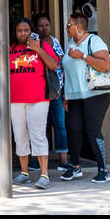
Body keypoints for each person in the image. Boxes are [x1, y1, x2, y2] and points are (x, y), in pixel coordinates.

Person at [0, 16, 58, 189]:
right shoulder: (9, 50)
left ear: (31, 31)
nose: (23, 33)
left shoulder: (42, 46)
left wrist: (38, 49)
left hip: (38, 98)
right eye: (19, 30)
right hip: (15, 100)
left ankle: (44, 175)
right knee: (20, 136)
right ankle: (24, 173)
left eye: (26, 30)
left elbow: (54, 65)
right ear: (15, 33)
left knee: (38, 134)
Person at [60, 8, 110, 183]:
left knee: (92, 129)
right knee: (73, 128)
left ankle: (103, 169)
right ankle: (75, 167)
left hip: (96, 93)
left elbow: (106, 66)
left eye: (69, 25)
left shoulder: (94, 41)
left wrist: (83, 56)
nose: (67, 28)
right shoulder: (71, 43)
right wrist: (66, 96)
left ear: (79, 27)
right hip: (75, 95)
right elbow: (69, 72)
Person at [34, 12, 68, 168]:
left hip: (56, 89)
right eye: (40, 25)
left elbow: (62, 64)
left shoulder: (55, 42)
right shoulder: (33, 43)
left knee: (60, 124)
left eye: (46, 25)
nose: (44, 28)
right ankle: (37, 161)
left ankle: (63, 160)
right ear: (36, 28)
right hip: (39, 90)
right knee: (38, 126)